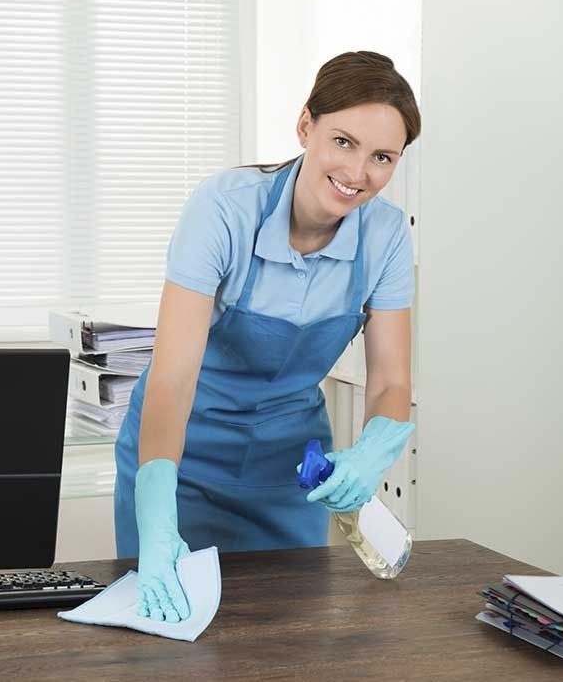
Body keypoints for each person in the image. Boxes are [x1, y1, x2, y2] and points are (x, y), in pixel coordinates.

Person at [113, 51, 421, 623]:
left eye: (382, 157)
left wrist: (371, 451)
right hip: (179, 462)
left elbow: (391, 379)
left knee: (289, 641)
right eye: (343, 142)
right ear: (306, 126)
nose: (358, 173)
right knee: (161, 640)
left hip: (289, 473)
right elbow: (174, 377)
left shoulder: (387, 240)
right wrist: (157, 520)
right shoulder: (223, 210)